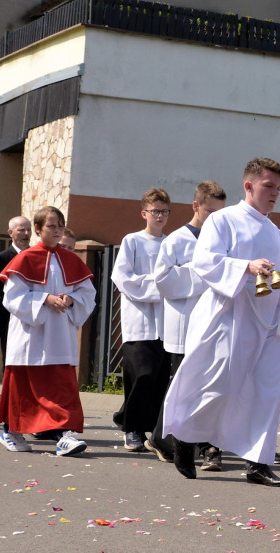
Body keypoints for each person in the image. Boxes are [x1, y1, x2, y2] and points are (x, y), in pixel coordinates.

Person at [162, 158, 280, 486]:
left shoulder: (274, 231)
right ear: (249, 186)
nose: (275, 194)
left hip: (269, 323)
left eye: (278, 188)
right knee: (216, 386)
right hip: (229, 318)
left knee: (266, 391)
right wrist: (245, 266)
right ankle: (186, 438)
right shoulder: (223, 220)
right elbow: (204, 261)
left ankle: (258, 464)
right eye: (268, 186)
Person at [0, 207, 95, 455]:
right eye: (51, 226)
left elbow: (87, 293)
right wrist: (44, 300)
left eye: (60, 225)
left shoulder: (71, 259)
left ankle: (64, 435)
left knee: (61, 386)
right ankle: (11, 431)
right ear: (38, 230)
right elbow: (13, 297)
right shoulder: (24, 259)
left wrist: (71, 300)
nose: (57, 230)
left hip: (59, 336)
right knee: (23, 387)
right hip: (31, 335)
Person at [147, 181, 227, 469]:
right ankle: (172, 439)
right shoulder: (177, 240)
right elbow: (163, 280)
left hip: (215, 321)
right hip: (186, 321)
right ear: (196, 206)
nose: (215, 218)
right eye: (210, 211)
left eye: (221, 212)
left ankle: (192, 441)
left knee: (208, 384)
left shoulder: (221, 240)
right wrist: (202, 271)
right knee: (183, 385)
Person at [111, 188, 170, 454]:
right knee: (141, 376)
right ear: (144, 213)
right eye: (155, 211)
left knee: (158, 379)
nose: (160, 216)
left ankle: (147, 429)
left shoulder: (172, 243)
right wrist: (158, 286)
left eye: (165, 211)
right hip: (140, 320)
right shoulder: (132, 241)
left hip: (166, 323)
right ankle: (131, 428)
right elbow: (122, 278)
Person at [0, 215, 32, 362]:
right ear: (10, 233)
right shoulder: (0, 259)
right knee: (11, 360)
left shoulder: (38, 256)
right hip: (10, 318)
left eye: (29, 230)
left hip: (35, 316)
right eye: (21, 230)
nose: (26, 234)